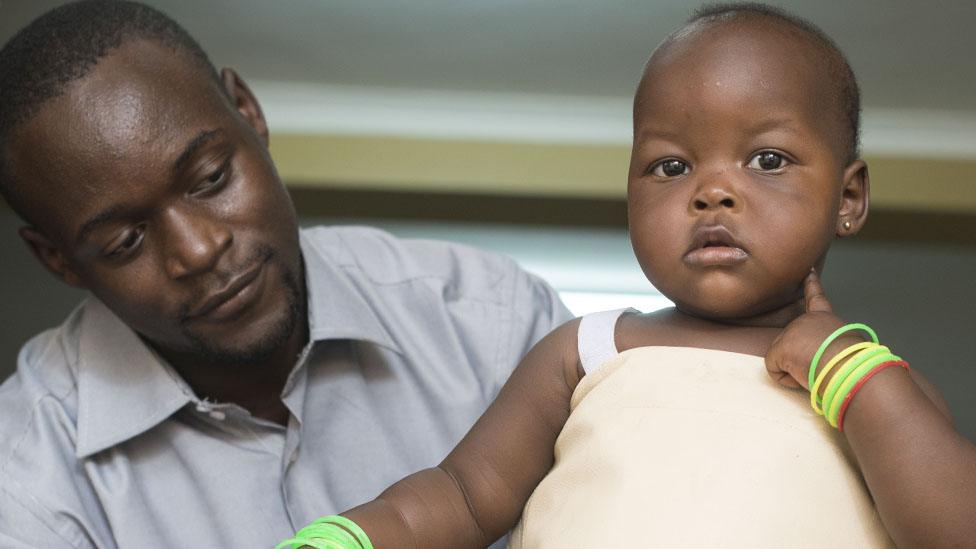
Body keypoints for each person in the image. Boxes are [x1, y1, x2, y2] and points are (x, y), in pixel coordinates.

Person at [280, 4, 976, 548]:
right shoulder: (587, 349)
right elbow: (463, 494)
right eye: (672, 166)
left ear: (847, 199)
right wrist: (351, 534)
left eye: (766, 160)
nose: (712, 193)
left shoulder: (878, 385)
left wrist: (853, 374)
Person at [0, 1, 572, 547]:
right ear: (57, 259)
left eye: (210, 179)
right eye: (125, 241)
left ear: (249, 111)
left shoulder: (498, 324)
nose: (199, 250)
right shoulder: (24, 485)